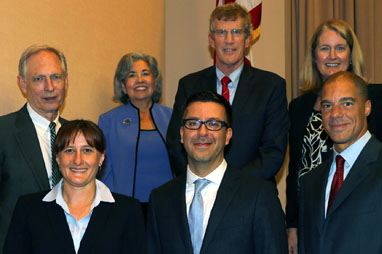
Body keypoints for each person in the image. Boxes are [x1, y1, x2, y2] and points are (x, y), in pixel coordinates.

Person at [286, 19, 382, 253]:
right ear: (314, 56)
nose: (332, 55)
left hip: (366, 210)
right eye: (324, 48)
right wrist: (293, 224)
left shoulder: (374, 94)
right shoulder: (299, 106)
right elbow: (295, 170)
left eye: (340, 47)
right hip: (314, 209)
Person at [147, 91, 288, 254]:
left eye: (213, 124)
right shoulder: (160, 200)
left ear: (228, 135)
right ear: (181, 134)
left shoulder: (259, 195)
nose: (202, 132)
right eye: (193, 123)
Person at [166, 3, 289, 181]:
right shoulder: (189, 85)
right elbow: (176, 143)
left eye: (236, 32)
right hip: (200, 190)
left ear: (247, 40)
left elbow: (273, 152)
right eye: (221, 32)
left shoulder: (271, 87)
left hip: (252, 194)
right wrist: (202, 180)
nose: (229, 40)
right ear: (211, 40)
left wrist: (229, 185)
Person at [3, 120, 146, 254]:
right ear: (58, 158)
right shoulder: (28, 208)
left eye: (87, 150)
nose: (78, 160)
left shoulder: (128, 210)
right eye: (69, 150)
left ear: (101, 157)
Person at [298, 71, 382, 253]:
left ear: (367, 108)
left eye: (346, 103)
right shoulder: (310, 182)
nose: (335, 114)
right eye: (327, 105)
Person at [0, 45, 69, 252]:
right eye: (39, 79)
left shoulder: (79, 136)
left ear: (66, 81)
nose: (49, 86)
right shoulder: (3, 132)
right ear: (23, 84)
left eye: (56, 77)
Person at [98, 52, 173, 214]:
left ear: (155, 82)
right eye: (132, 75)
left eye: (145, 73)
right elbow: (102, 170)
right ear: (124, 86)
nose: (140, 79)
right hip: (124, 208)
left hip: (167, 207)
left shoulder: (172, 117)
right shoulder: (109, 121)